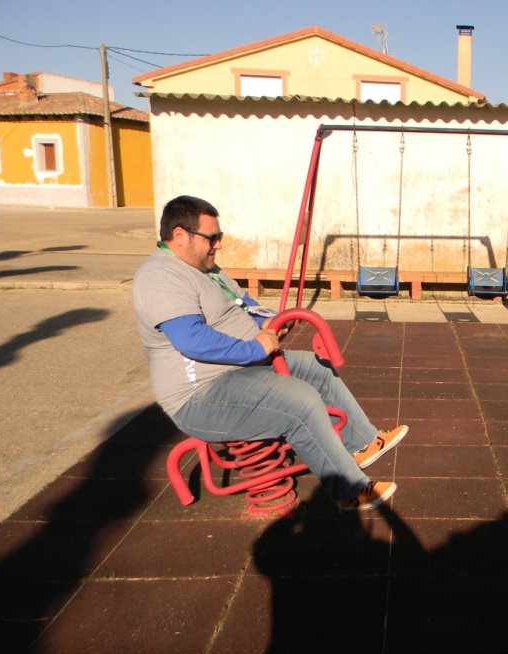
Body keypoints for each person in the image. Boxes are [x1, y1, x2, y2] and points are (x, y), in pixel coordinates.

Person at [133, 195, 407, 511]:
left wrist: (267, 321)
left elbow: (244, 302)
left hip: (238, 371)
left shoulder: (207, 269)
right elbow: (192, 340)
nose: (219, 244)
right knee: (299, 401)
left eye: (219, 236)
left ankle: (361, 443)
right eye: (212, 237)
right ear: (180, 235)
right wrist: (255, 348)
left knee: (316, 367)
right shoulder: (162, 276)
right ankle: (349, 489)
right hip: (200, 396)